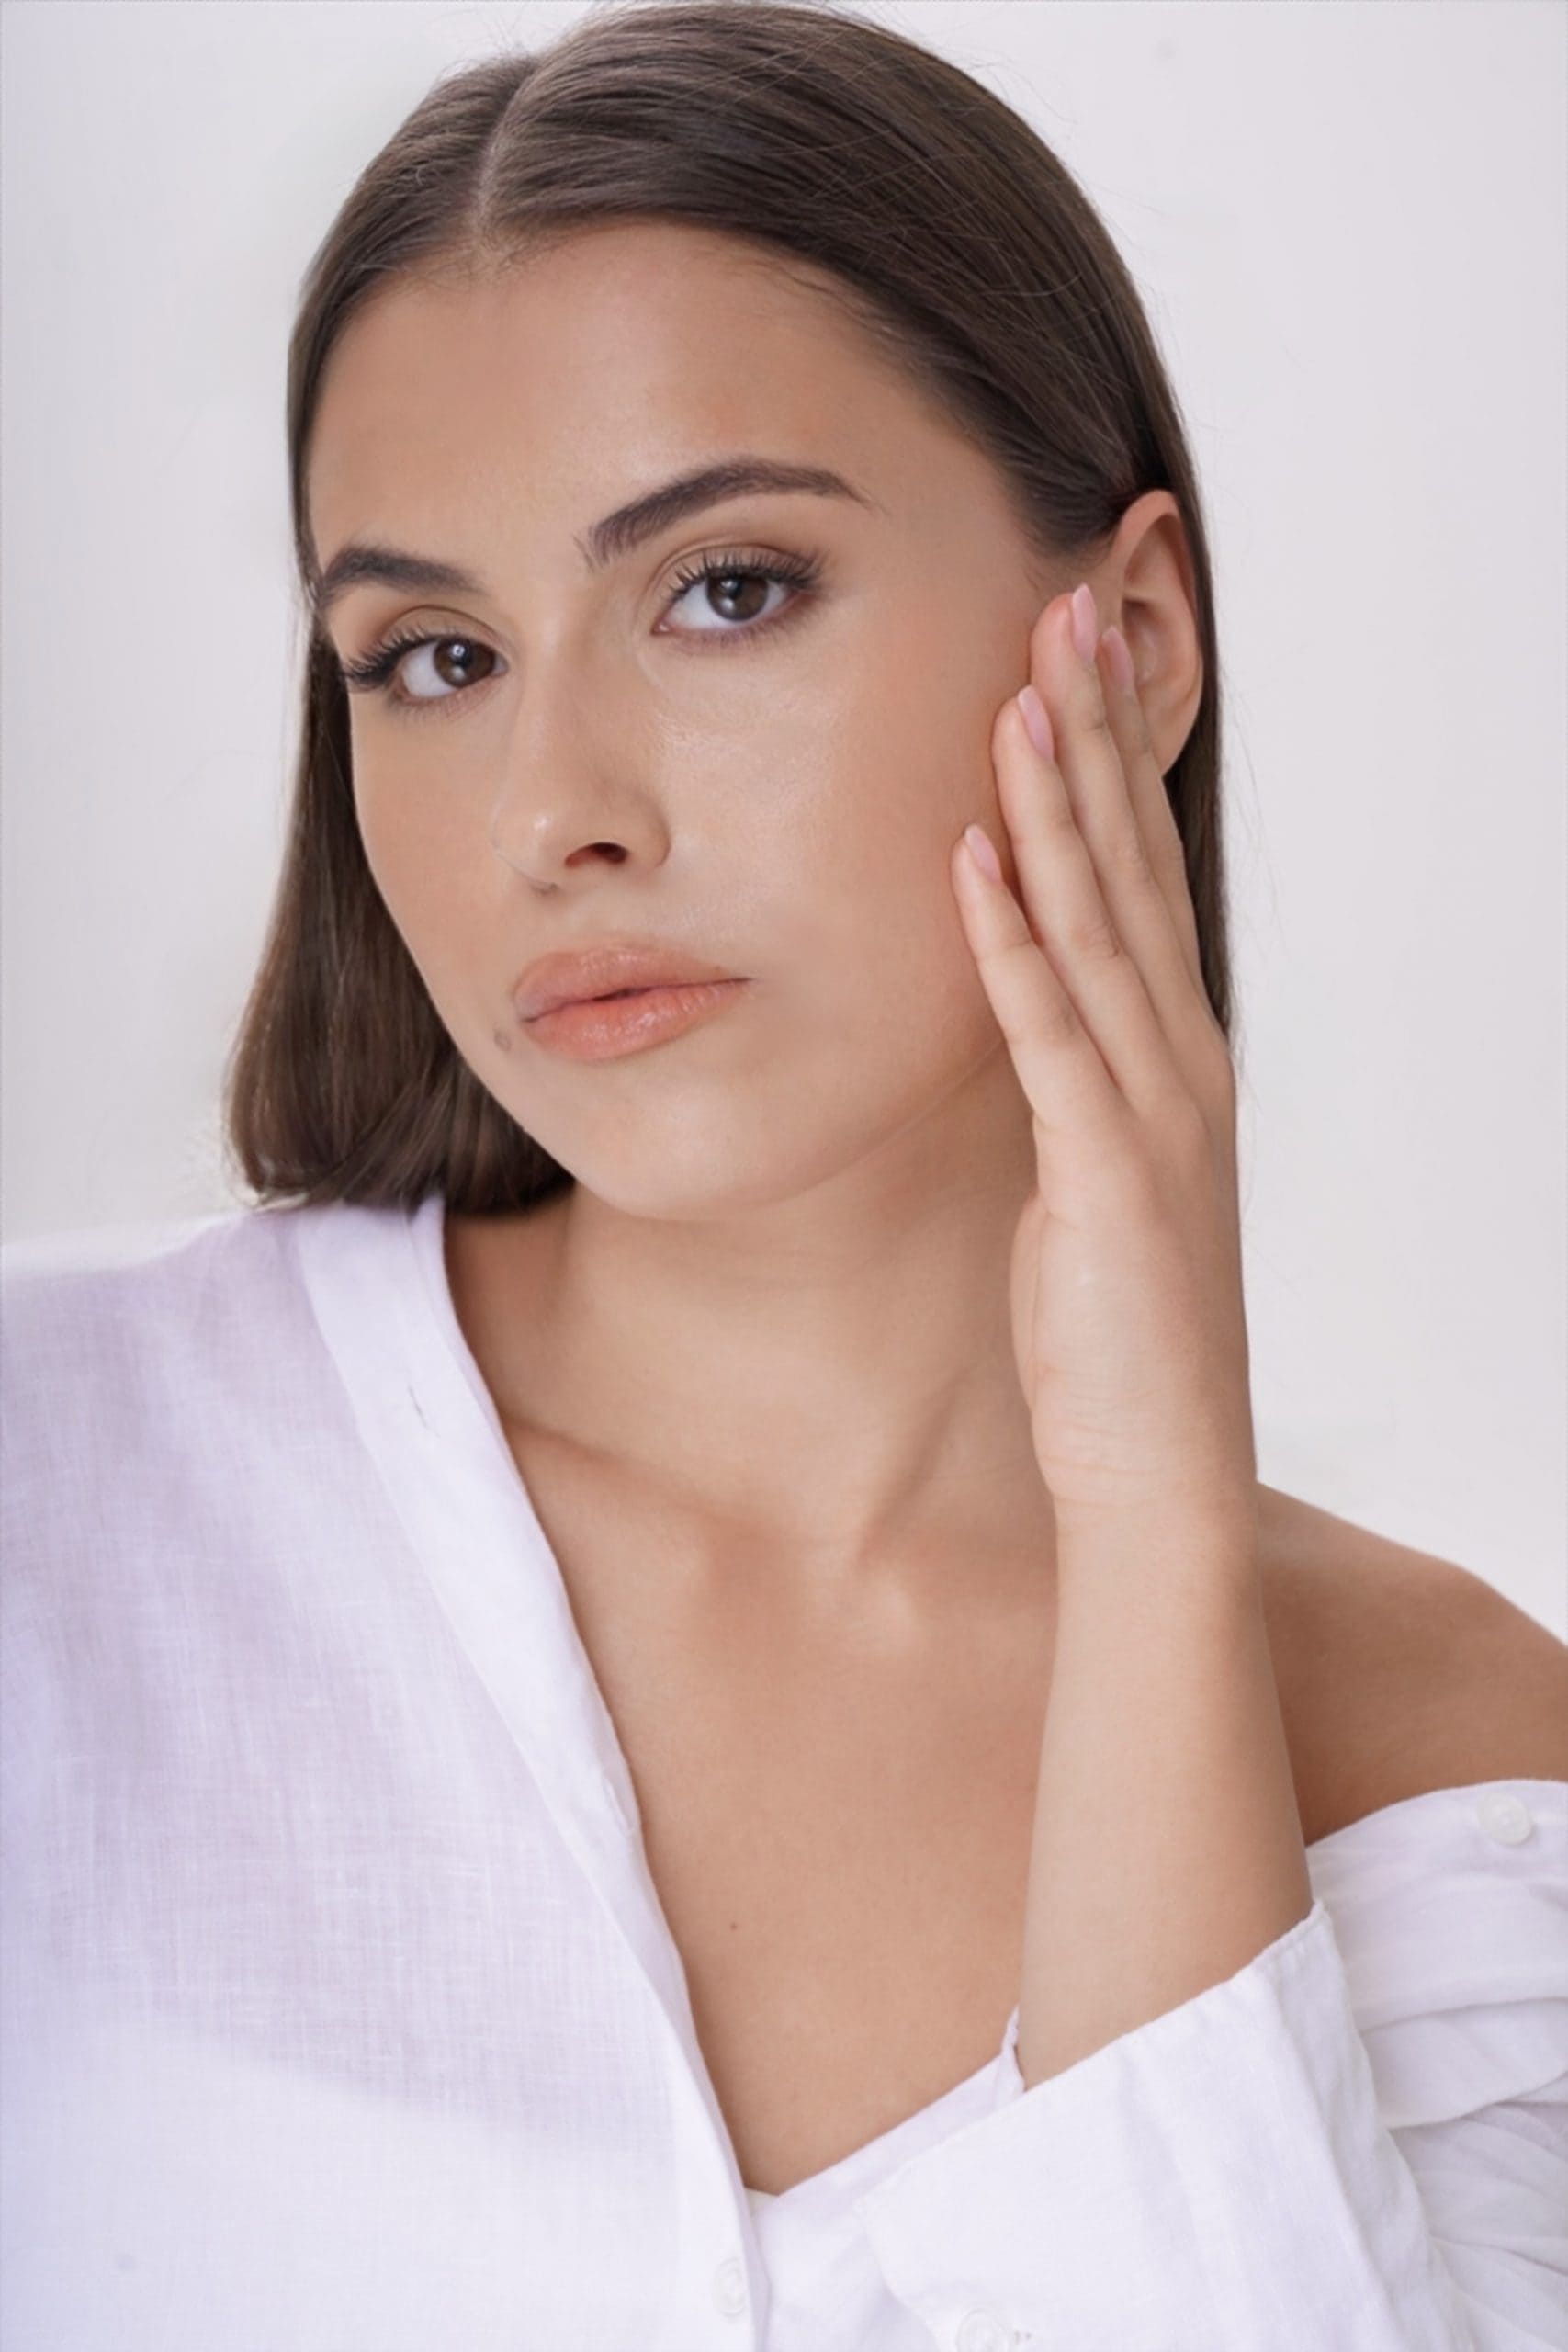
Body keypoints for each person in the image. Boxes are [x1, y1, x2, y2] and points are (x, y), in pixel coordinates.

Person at [4, 5, 1564, 2346]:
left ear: (1130, 643)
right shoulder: (57, 1492)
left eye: (723, 588)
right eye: (430, 656)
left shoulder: (1463, 1761)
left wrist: (1150, 1530)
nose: (554, 811)